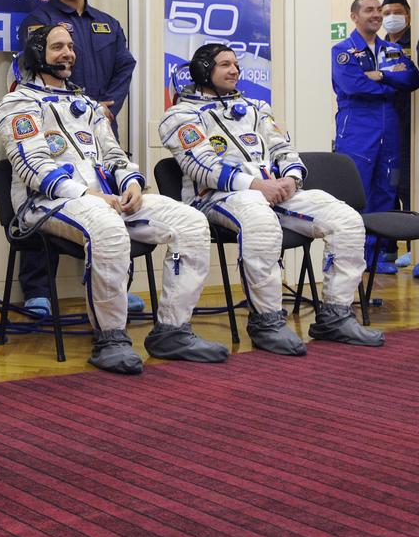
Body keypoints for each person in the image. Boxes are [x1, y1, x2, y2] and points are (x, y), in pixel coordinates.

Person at [0, 25, 227, 374]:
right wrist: (87, 194)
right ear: (36, 54)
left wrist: (132, 183)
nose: (68, 53)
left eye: (71, 47)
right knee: (105, 227)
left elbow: (115, 156)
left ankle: (173, 330)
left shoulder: (88, 106)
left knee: (191, 223)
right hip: (45, 204)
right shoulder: (17, 104)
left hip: (106, 199)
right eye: (57, 46)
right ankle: (111, 337)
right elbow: (32, 166)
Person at [162, 43, 383, 353]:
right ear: (202, 71)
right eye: (225, 64)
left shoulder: (256, 108)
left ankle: (335, 316)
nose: (234, 70)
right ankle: (266, 321)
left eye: (236, 64)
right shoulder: (179, 115)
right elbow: (201, 166)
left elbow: (283, 149)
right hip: (218, 197)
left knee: (346, 220)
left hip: (273, 192)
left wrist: (292, 179)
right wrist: (256, 185)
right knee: (260, 218)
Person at [16, 0, 141, 318]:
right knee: (48, 193)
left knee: (114, 200)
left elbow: (125, 66)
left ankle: (115, 286)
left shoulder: (107, 23)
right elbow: (34, 65)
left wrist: (108, 106)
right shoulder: (40, 21)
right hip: (51, 127)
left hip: (98, 124)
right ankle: (38, 289)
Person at [331, 0, 419, 275]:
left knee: (385, 192)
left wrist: (381, 75)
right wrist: (392, 83)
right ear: (354, 16)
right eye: (369, 10)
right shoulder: (343, 50)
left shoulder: (391, 49)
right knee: (358, 197)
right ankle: (353, 259)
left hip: (390, 134)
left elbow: (412, 79)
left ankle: (379, 256)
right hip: (357, 133)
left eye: (378, 10)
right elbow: (354, 86)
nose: (377, 15)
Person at [381, 0, 415, 272]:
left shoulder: (413, 42)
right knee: (388, 188)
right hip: (386, 126)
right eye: (386, 12)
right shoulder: (379, 47)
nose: (391, 18)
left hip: (411, 127)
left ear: (408, 13)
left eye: (396, 12)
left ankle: (414, 250)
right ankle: (388, 249)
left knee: (408, 188)